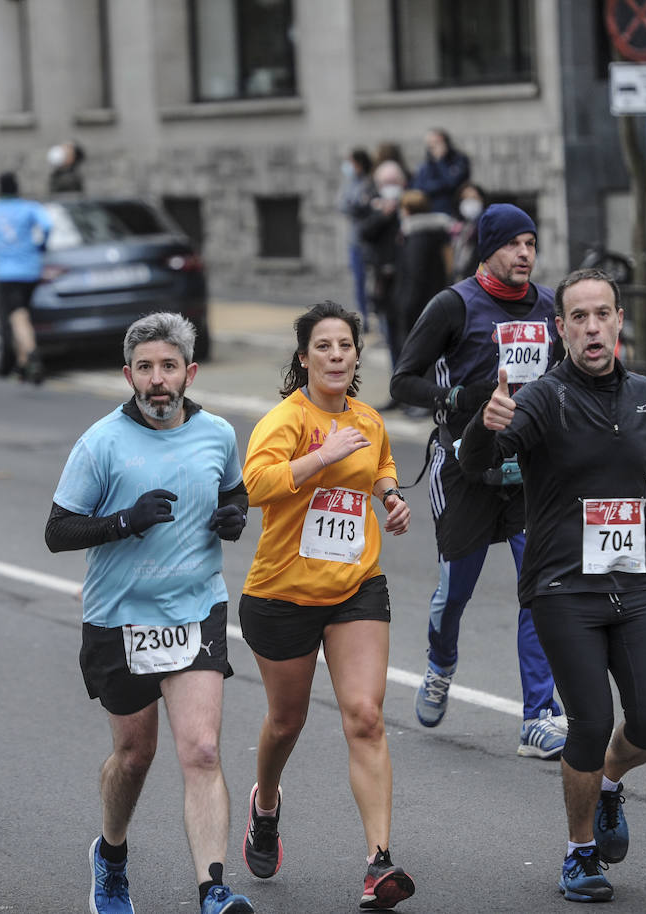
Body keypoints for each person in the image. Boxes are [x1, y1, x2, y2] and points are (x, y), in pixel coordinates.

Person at [457, 267, 646, 904]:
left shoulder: (642, 395)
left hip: (631, 583)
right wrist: (486, 425)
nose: (592, 326)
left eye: (602, 314)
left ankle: (608, 781)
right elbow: (478, 466)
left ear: (620, 321)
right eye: (578, 317)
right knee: (589, 719)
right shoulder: (544, 399)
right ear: (561, 328)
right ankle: (580, 855)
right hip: (561, 587)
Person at [44, 312, 255, 914]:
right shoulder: (102, 442)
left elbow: (233, 490)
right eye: (144, 368)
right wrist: (123, 521)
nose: (157, 380)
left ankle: (213, 890)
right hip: (120, 618)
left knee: (203, 751)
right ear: (128, 375)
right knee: (136, 755)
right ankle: (110, 857)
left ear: (189, 372)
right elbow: (58, 531)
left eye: (168, 367)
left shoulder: (216, 432)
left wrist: (233, 516)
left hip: (196, 609)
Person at [237, 301, 415, 910]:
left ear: (357, 356)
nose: (336, 355)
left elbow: (381, 464)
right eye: (324, 347)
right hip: (282, 593)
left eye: (345, 345)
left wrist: (389, 497)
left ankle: (378, 863)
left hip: (355, 586)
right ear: (304, 358)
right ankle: (266, 803)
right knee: (287, 722)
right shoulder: (287, 419)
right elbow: (254, 485)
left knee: (365, 715)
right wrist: (321, 457)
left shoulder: (366, 419)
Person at [389, 203, 567, 758]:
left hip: (528, 473)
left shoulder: (547, 308)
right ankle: (441, 664)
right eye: (514, 243)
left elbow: (562, 378)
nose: (525, 254)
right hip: (465, 468)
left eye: (531, 244)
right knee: (454, 594)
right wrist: (459, 399)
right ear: (488, 247)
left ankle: (538, 715)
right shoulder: (454, 305)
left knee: (540, 592)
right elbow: (403, 381)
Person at [0, 171, 53, 383]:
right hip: (31, 270)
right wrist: (40, 245)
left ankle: (32, 355)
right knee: (22, 314)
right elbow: (47, 225)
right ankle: (22, 366)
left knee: (17, 316)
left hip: (6, 272)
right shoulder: (29, 207)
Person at [391, 189, 452, 396]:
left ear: (407, 210)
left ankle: (420, 399)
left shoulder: (416, 237)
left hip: (417, 304)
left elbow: (415, 275)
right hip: (436, 299)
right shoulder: (438, 233)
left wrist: (405, 305)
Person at [358, 161, 406, 377]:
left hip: (405, 279)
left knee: (407, 337)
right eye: (386, 183)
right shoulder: (375, 206)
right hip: (383, 280)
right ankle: (397, 385)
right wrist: (383, 214)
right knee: (390, 335)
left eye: (393, 182)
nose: (390, 186)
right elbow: (364, 232)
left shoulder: (411, 204)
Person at [337, 147, 375, 333]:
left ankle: (376, 317)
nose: (348, 167)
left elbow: (364, 205)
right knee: (358, 280)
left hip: (370, 239)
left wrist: (358, 205)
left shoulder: (370, 182)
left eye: (351, 162)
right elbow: (343, 204)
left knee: (373, 280)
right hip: (355, 239)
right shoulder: (349, 182)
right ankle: (363, 317)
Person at [411, 129, 470, 216]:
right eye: (430, 143)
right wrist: (441, 185)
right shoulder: (427, 164)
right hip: (429, 208)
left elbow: (452, 183)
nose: (433, 146)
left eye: (436, 142)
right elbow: (419, 187)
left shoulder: (459, 159)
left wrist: (441, 160)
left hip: (452, 207)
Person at [449, 183, 487, 283]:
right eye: (465, 198)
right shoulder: (453, 227)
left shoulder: (486, 226)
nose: (470, 202)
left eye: (474, 198)